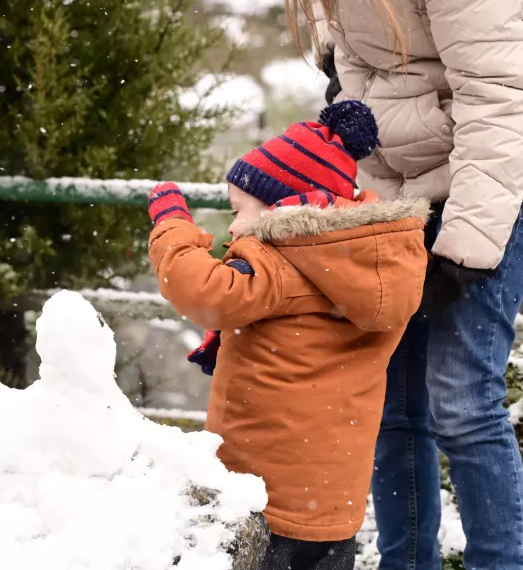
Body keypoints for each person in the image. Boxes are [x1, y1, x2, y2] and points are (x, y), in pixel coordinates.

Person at [279, 0, 523, 569]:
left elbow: (497, 93)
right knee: (390, 400)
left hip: (501, 174)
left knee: (461, 396)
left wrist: (465, 245)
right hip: (406, 183)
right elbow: (361, 80)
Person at [146, 101, 430, 570]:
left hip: (265, 496)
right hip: (334, 506)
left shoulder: (278, 264)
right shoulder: (372, 262)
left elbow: (202, 290)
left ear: (282, 208)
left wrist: (172, 224)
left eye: (240, 211)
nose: (234, 227)